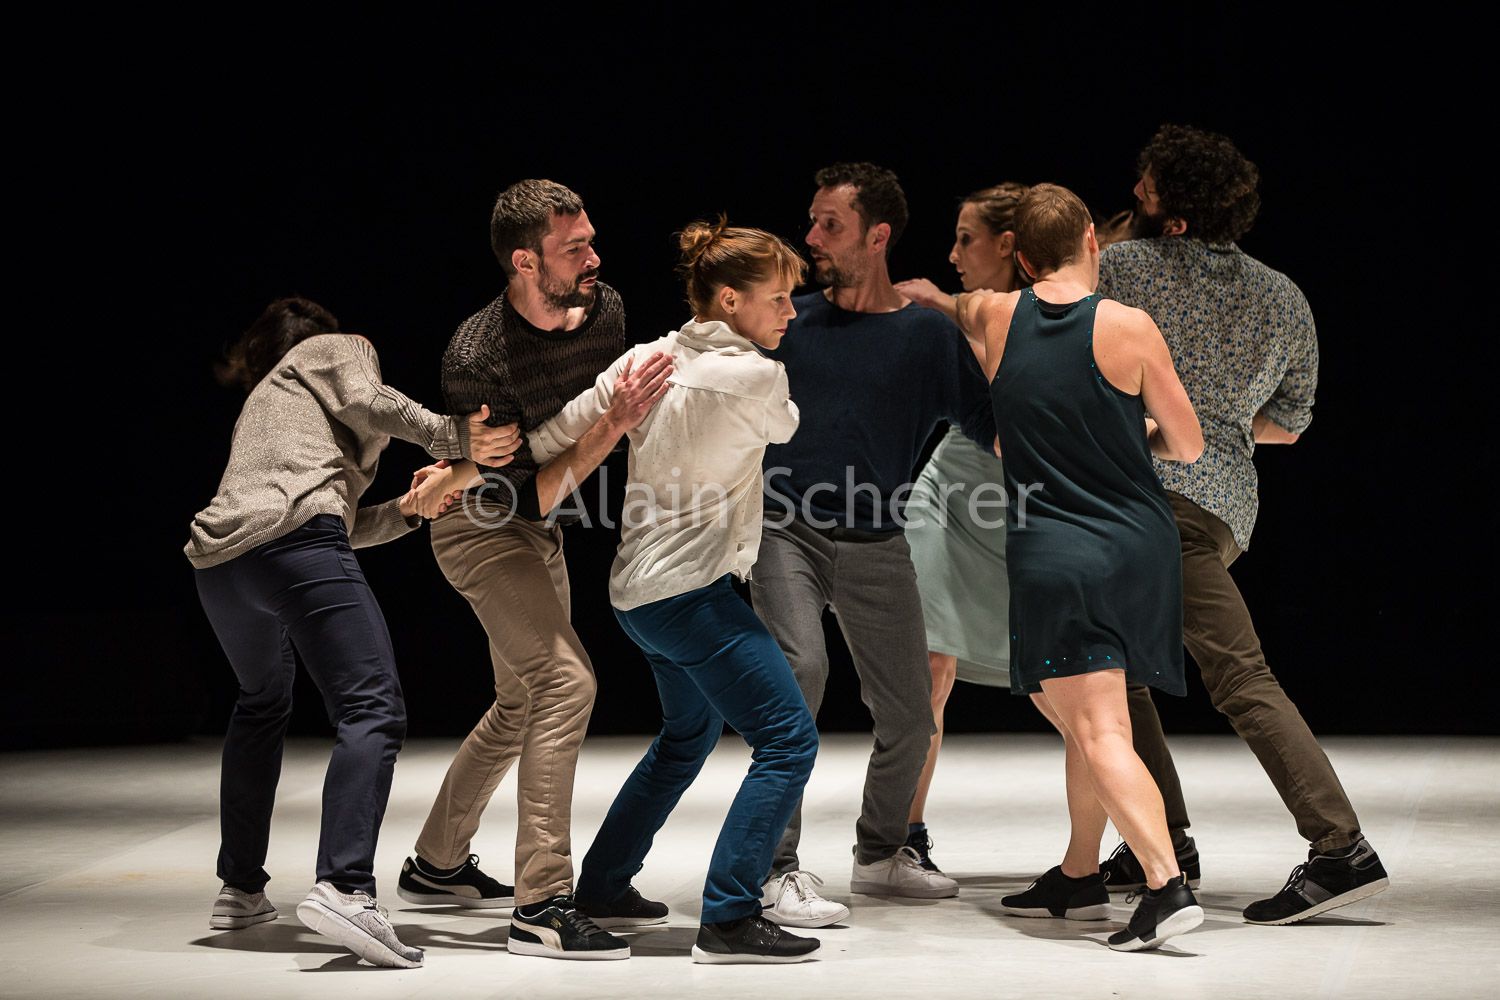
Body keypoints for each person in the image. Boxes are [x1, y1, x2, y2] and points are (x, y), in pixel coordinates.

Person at [1096, 124, 1389, 923]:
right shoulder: (1283, 294)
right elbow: (1288, 425)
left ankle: (1340, 847)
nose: (1135, 194)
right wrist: (1218, 424)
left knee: (1238, 678)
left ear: (1170, 201)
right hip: (1224, 505)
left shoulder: (1124, 268)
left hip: (1151, 500)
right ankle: (1162, 841)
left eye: (1146, 185)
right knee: (1116, 667)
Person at [509, 219, 821, 963]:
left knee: (687, 738)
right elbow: (785, 426)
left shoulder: (644, 360)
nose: (791, 311)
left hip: (636, 596)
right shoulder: (758, 377)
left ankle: (603, 885)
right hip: (691, 597)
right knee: (788, 740)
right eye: (778, 297)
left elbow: (551, 437)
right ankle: (730, 916)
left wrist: (469, 464)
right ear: (729, 300)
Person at [185, 296, 521, 967]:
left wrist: (407, 510)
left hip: (222, 567)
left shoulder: (264, 405)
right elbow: (370, 407)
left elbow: (333, 518)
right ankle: (345, 885)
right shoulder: (330, 349)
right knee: (372, 707)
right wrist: (456, 436)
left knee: (260, 705)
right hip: (292, 546)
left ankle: (240, 887)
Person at [396, 179, 672, 961]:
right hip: (481, 527)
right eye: (574, 247)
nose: (594, 257)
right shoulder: (478, 354)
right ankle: (542, 904)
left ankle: (436, 863)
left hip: (539, 526)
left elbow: (576, 445)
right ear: (525, 262)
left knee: (521, 701)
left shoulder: (606, 309)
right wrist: (613, 425)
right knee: (563, 683)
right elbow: (526, 491)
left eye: (591, 239)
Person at [959, 183, 1207, 952]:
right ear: (1093, 238)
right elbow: (1188, 444)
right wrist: (1129, 435)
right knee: (1087, 719)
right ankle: (1079, 871)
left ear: (1023, 257)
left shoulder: (997, 316)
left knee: (1094, 724)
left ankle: (1165, 883)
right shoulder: (1131, 327)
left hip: (1058, 550)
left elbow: (963, 321)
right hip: (1139, 545)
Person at [751, 163, 995, 926]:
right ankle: (773, 869)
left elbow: (994, 430)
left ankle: (883, 853)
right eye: (813, 220)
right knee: (799, 672)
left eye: (831, 225)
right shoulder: (791, 323)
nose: (812, 237)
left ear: (878, 235)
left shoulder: (927, 335)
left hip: (877, 536)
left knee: (912, 714)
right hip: (784, 528)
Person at [893, 182, 1028, 872]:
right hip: (948, 496)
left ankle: (1150, 843)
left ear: (1008, 245)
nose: (952, 254)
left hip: (1026, 506)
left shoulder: (1057, 315)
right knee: (931, 668)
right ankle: (900, 835)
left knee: (1069, 682)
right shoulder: (946, 318)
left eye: (966, 239)